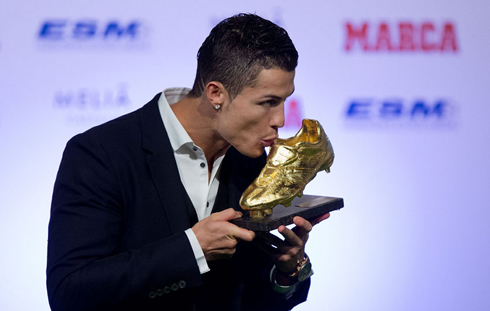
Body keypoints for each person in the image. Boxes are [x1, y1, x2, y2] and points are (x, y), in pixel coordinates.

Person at [47, 13, 330, 311]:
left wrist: (286, 271)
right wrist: (192, 248)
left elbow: (245, 297)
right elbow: (70, 292)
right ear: (216, 93)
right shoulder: (101, 153)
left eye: (285, 100)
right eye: (268, 102)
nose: (281, 120)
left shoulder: (253, 161)